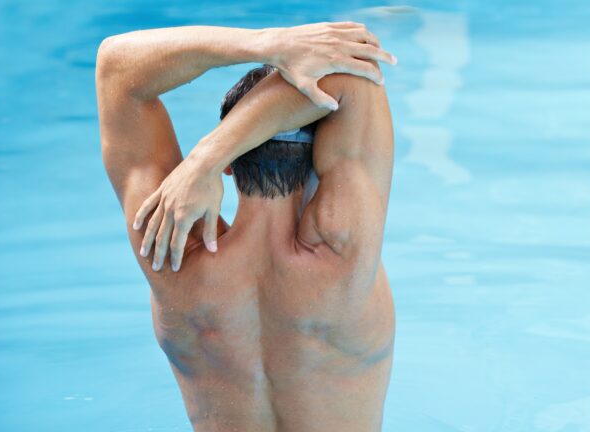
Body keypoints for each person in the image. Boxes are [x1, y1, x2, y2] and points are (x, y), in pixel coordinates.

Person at [96, 23, 396, 432]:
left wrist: (264, 44)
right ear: (321, 155)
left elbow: (115, 69)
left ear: (231, 166)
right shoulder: (343, 254)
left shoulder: (171, 250)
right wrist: (213, 153)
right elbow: (351, 74)